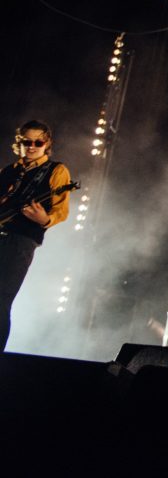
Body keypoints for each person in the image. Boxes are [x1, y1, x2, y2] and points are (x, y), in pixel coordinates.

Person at [0, 120, 73, 351]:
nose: (32, 147)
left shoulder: (57, 170)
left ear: (47, 143)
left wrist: (44, 220)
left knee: (2, 299)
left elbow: (61, 210)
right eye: (27, 142)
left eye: (38, 142)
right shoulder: (8, 171)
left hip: (20, 241)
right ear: (19, 143)